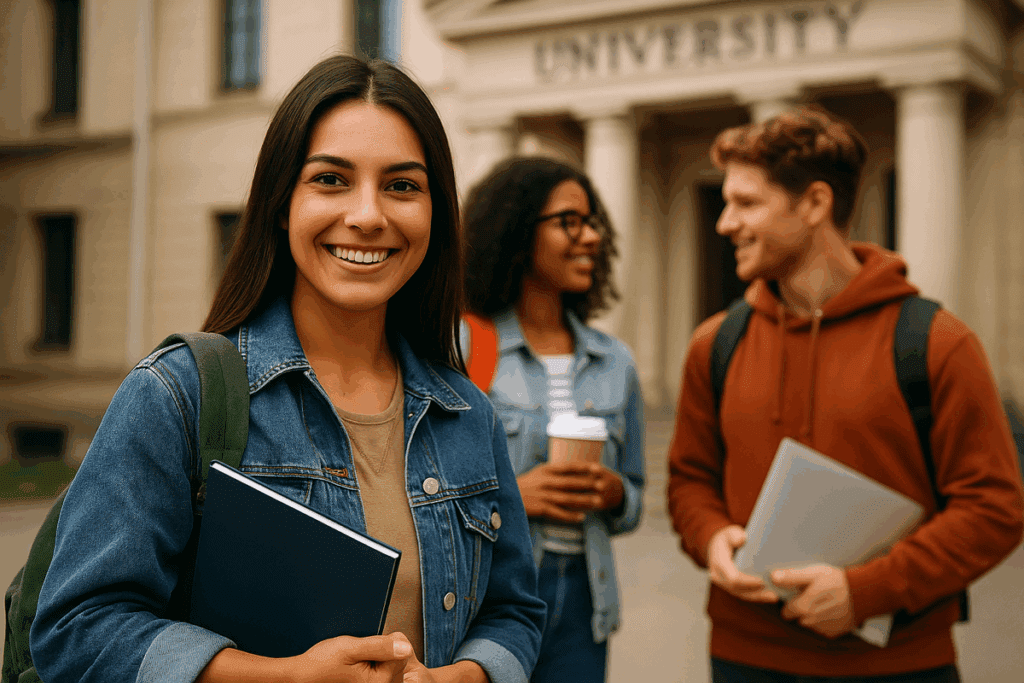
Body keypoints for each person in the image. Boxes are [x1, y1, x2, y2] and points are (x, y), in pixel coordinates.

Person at [30, 55, 546, 683]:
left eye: (402, 186)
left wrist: (466, 676)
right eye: (331, 179)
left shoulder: (467, 414)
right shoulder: (177, 395)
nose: (367, 215)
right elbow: (75, 627)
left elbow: (514, 609)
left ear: (436, 213)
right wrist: (280, 676)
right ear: (281, 203)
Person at [666, 104, 1024, 682]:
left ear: (814, 203)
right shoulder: (715, 343)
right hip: (744, 656)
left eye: (746, 203)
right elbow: (688, 481)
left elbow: (995, 509)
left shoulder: (935, 342)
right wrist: (710, 537)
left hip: (898, 664)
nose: (724, 222)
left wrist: (865, 591)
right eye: (726, 202)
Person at [461, 157, 645, 683]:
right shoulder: (467, 345)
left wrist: (613, 495)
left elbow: (634, 501)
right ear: (517, 229)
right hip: (492, 601)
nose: (590, 236)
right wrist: (517, 498)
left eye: (593, 223)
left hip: (586, 600)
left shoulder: (616, 362)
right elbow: (427, 498)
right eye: (570, 221)